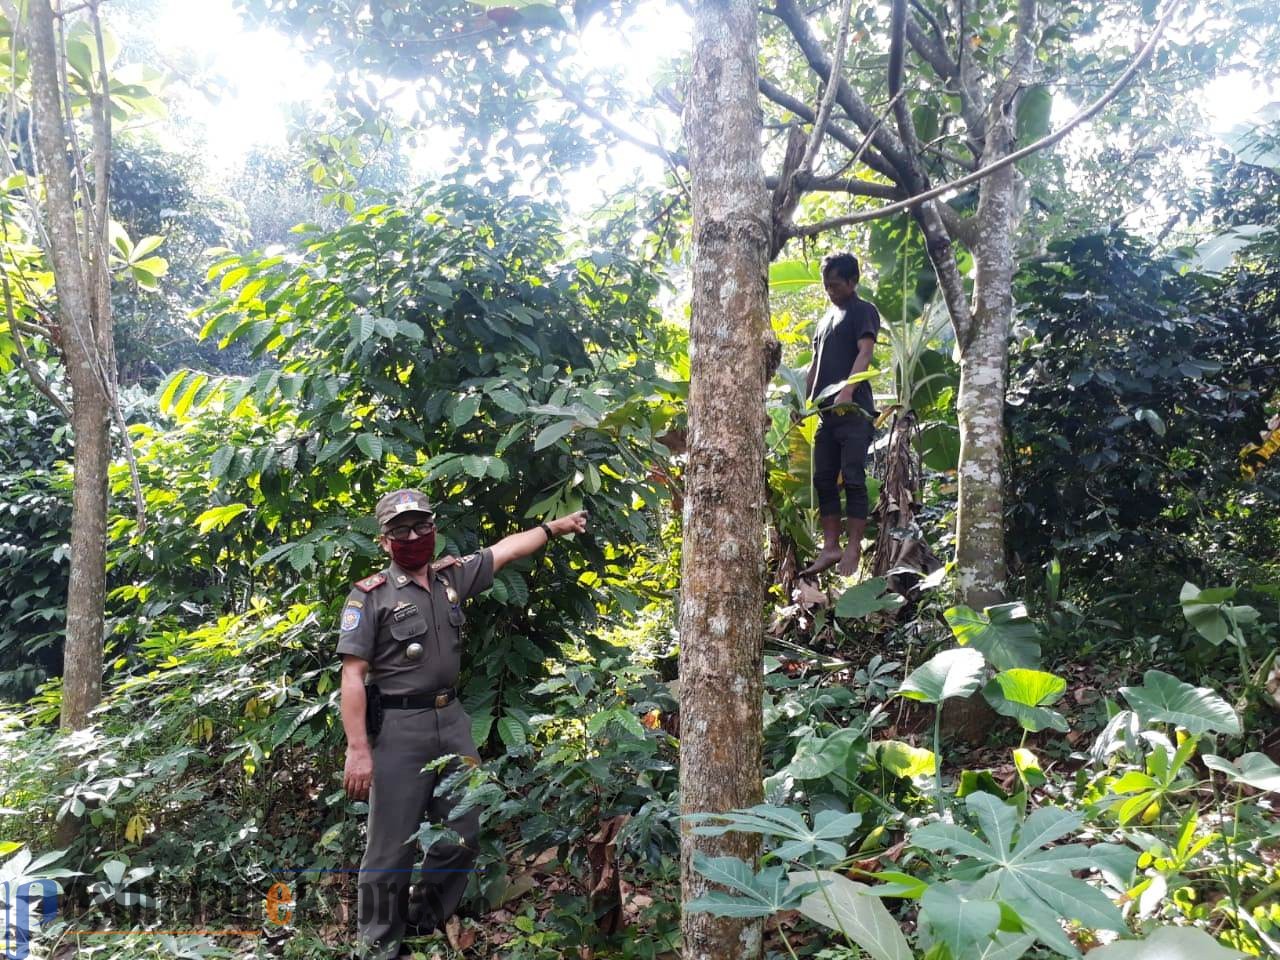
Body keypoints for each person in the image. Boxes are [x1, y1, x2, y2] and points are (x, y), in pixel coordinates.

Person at [337, 488, 588, 959]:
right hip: (397, 727)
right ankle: (378, 945)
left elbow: (506, 549)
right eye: (401, 530)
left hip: (451, 720)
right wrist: (358, 748)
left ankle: (423, 916)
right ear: (385, 540)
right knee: (390, 849)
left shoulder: (450, 579)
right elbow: (352, 675)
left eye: (421, 526)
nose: (414, 536)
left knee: (464, 832)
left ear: (433, 528)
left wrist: (556, 527)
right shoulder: (369, 597)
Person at [800, 252, 880, 577]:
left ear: (852, 282)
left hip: (854, 411)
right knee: (823, 479)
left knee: (854, 476)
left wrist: (848, 390)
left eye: (835, 285)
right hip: (826, 416)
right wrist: (805, 403)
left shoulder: (863, 311)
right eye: (826, 286)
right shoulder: (824, 321)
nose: (830, 292)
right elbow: (815, 366)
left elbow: (866, 351)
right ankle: (830, 546)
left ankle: (853, 546)